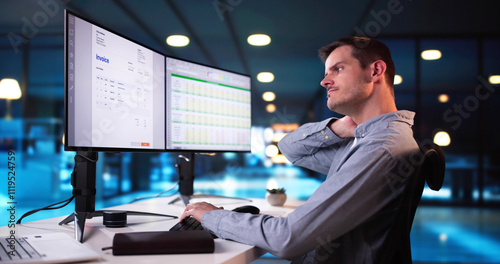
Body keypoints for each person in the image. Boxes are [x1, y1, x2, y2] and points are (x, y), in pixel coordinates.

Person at [180, 36, 420, 263]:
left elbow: (287, 239)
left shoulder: (380, 148)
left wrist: (211, 215)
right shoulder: (364, 140)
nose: (324, 81)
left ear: (375, 71)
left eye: (338, 69)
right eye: (326, 73)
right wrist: (337, 128)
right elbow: (289, 148)